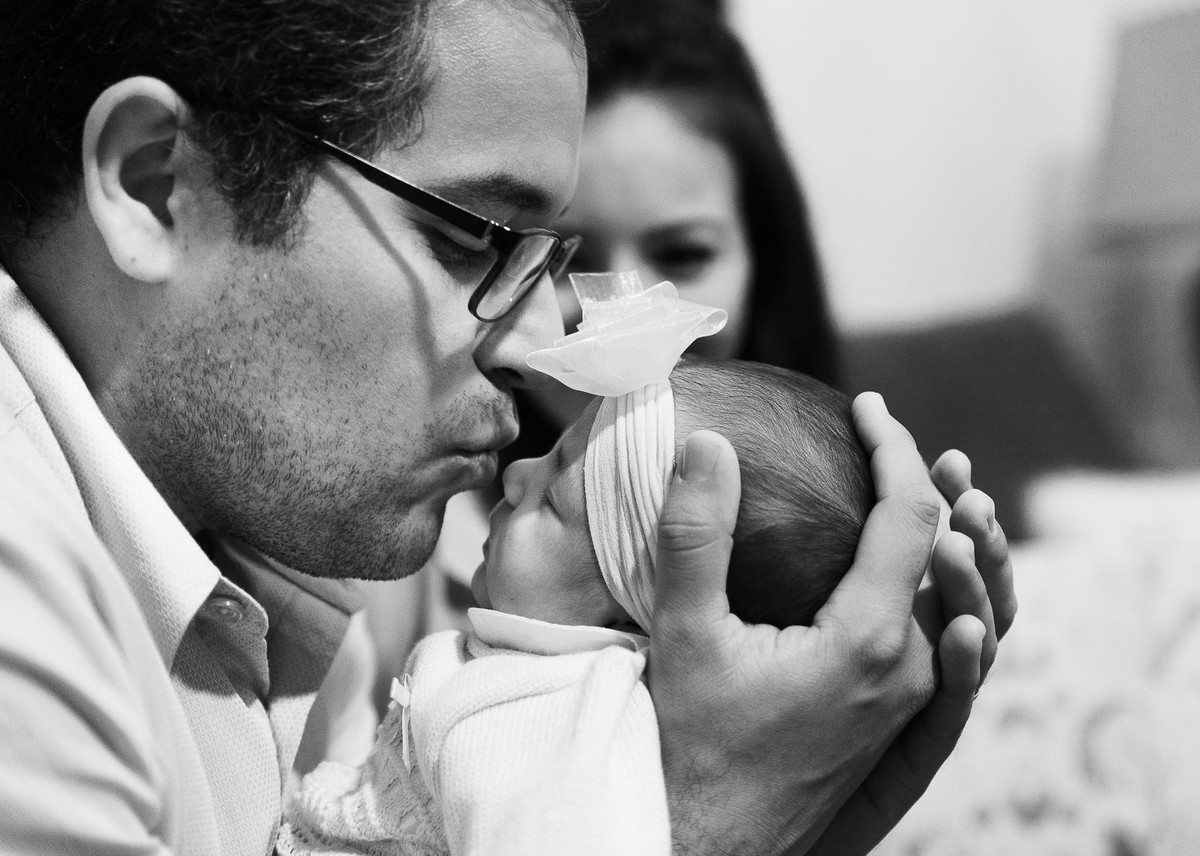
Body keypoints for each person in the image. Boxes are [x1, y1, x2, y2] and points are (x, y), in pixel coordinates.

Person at [0, 2, 1014, 856]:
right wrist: (700, 826)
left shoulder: (305, 600)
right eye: (463, 239)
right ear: (152, 186)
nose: (539, 347)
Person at [277, 307, 880, 856]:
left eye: (554, 501)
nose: (516, 478)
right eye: (553, 454)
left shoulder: (539, 718)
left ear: (622, 621)